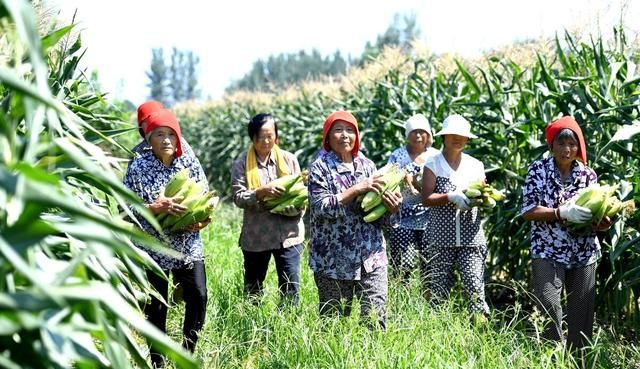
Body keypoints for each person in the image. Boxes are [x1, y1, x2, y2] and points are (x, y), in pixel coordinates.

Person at [123, 109, 209, 368]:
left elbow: (204, 194)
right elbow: (125, 210)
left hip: (188, 244)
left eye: (171, 134)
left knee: (199, 295)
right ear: (149, 138)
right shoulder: (139, 166)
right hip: (154, 247)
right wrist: (155, 207)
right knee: (157, 307)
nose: (167, 140)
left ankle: (187, 352)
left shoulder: (188, 162)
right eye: (159, 134)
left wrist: (203, 220)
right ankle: (158, 361)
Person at [521, 116, 611, 350]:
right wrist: (561, 212)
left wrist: (602, 223)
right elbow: (529, 211)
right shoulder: (538, 170)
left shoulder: (587, 175)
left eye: (572, 144)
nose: (567, 149)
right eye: (561, 143)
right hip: (547, 248)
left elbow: (594, 214)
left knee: (581, 310)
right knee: (549, 303)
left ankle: (578, 360)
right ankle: (552, 356)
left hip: (583, 251)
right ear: (552, 145)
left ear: (578, 147)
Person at [308, 110, 402, 328]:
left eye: (350, 130)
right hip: (332, 260)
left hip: (372, 257)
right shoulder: (320, 168)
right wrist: (356, 189)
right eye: (338, 130)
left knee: (375, 321)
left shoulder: (368, 166)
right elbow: (322, 207)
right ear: (328, 136)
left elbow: (380, 219)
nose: (345, 135)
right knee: (333, 324)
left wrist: (391, 209)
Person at [231, 113, 305, 304]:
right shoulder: (241, 165)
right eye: (260, 137)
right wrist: (260, 192)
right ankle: (250, 325)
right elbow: (239, 198)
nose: (265, 141)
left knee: (291, 289)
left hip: (289, 236)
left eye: (269, 136)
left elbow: (300, 194)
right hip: (257, 237)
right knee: (253, 289)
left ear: (276, 136)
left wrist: (294, 208)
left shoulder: (289, 160)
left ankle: (288, 328)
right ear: (252, 137)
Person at [421, 114, 490, 316]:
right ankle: (437, 333)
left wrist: (482, 200)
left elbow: (483, 194)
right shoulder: (433, 163)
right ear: (444, 137)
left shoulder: (475, 165)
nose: (458, 138)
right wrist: (450, 196)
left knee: (475, 287)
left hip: (471, 238)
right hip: (441, 239)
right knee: (439, 291)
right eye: (453, 134)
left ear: (468, 139)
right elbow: (426, 198)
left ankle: (479, 332)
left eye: (462, 135)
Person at [386, 114, 439, 280]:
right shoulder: (398, 156)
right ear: (407, 135)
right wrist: (403, 178)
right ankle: (401, 299)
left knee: (430, 266)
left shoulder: (436, 156)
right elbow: (387, 178)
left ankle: (428, 302)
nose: (417, 135)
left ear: (428, 135)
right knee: (403, 266)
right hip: (403, 217)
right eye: (413, 132)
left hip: (431, 219)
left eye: (421, 131)